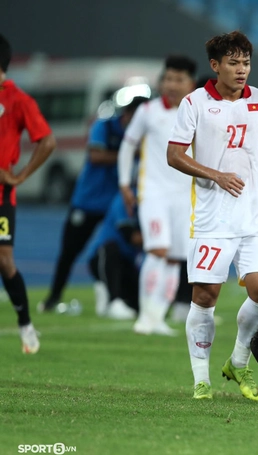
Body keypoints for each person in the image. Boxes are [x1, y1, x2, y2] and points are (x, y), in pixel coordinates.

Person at [166, 31, 258, 401]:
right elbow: (174, 154)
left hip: (252, 219)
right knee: (205, 296)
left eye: (246, 63)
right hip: (211, 219)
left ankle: (238, 361)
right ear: (215, 65)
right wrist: (215, 174)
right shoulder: (195, 103)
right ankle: (201, 378)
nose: (241, 70)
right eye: (233, 63)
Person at [38, 97, 146, 313]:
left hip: (117, 203)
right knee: (70, 251)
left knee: (119, 248)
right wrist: (130, 152)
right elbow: (95, 156)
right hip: (88, 201)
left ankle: (117, 294)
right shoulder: (105, 126)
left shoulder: (142, 136)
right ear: (128, 114)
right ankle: (54, 297)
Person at [117, 56, 197, 336]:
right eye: (168, 79)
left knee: (175, 258)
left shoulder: (198, 112)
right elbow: (128, 146)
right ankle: (145, 317)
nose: (172, 85)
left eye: (179, 80)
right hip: (153, 193)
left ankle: (159, 317)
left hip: (185, 197)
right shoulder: (148, 111)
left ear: (191, 84)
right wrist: (124, 183)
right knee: (157, 250)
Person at [0, 34, 56, 354]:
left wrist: (19, 176)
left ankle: (26, 325)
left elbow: (47, 142)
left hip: (1, 196)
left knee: (5, 261)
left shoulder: (17, 99)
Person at [86, 191, 142, 319]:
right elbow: (130, 235)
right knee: (111, 249)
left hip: (128, 263)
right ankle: (113, 299)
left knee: (137, 307)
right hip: (103, 258)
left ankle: (113, 297)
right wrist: (159, 239)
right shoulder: (124, 199)